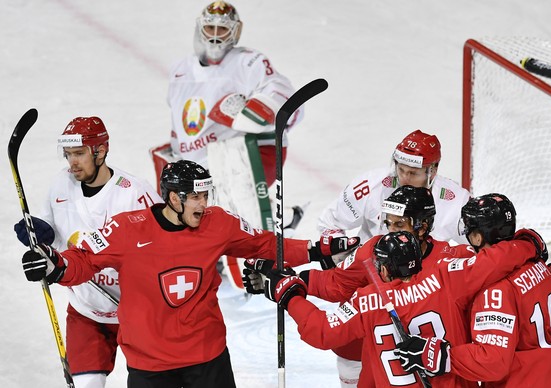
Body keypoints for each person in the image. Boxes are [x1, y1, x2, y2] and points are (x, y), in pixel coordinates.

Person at [20, 160, 357, 388]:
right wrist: (54, 264)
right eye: (194, 195)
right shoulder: (127, 229)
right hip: (149, 367)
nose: (202, 203)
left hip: (207, 359)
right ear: (171, 198)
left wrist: (317, 249)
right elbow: (81, 261)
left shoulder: (218, 223)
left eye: (205, 194)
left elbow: (266, 245)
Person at [242, 186, 475, 386]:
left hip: (438, 374)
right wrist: (292, 279)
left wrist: (288, 292)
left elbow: (323, 329)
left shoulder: (453, 261)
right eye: (388, 223)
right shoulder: (452, 261)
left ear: (422, 227)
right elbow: (337, 283)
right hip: (397, 371)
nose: (390, 232)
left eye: (399, 224)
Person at [260, 227, 546, 387]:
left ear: (384, 269)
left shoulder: (367, 300)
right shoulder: (447, 277)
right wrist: (528, 245)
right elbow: (493, 261)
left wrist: (290, 296)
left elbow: (320, 331)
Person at [151, 1, 306, 288]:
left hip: (245, 152)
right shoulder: (180, 70)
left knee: (232, 211)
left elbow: (282, 94)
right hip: (199, 159)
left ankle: (258, 264)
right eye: (209, 27)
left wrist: (252, 113)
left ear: (235, 32)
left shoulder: (248, 61)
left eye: (222, 29)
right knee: (185, 211)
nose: (214, 35)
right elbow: (179, 120)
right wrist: (175, 148)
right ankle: (209, 258)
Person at [14, 116, 162, 388]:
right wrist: (39, 232)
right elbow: (54, 231)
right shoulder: (61, 183)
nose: (72, 162)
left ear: (101, 151)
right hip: (86, 310)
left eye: (80, 153)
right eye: (68, 154)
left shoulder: (134, 192)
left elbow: (166, 242)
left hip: (138, 312)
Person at [396, 193, 551, 386]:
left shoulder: (494, 291)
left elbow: (493, 361)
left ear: (477, 237)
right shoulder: (536, 262)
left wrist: (439, 355)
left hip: (529, 380)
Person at [318, 129, 471, 245]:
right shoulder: (371, 184)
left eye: (413, 173)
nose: (404, 179)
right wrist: (347, 262)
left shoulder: (456, 201)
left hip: (423, 282)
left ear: (433, 171)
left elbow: (481, 246)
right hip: (370, 274)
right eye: (401, 169)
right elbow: (330, 223)